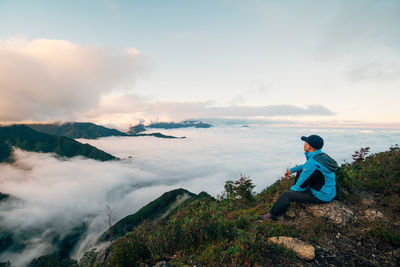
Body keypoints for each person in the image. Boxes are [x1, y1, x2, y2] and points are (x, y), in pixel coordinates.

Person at [259, 135, 339, 221]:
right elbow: (306, 166)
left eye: (306, 143)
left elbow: (301, 184)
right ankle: (294, 195)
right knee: (300, 171)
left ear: (309, 146)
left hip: (321, 196)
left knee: (286, 195)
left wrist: (292, 192)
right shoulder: (320, 156)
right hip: (327, 190)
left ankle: (272, 215)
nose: (304, 144)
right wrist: (292, 170)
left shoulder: (313, 162)